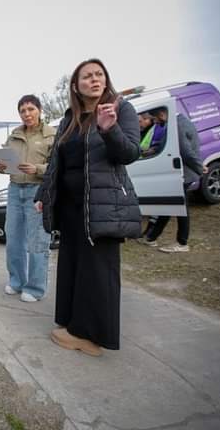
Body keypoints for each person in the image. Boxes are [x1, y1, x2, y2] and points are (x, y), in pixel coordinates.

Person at [35, 58, 142, 356]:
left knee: (98, 270)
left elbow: (131, 153)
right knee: (73, 265)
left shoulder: (121, 110)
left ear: (106, 80)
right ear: (76, 85)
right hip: (70, 206)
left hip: (102, 204)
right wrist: (44, 194)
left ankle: (92, 336)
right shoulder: (70, 117)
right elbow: (58, 162)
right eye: (87, 76)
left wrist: (109, 130)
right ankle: (73, 325)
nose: (94, 80)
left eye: (99, 75)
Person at [0, 95, 55, 303]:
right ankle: (16, 281)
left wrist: (37, 169)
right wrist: (0, 166)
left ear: (39, 110)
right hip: (14, 190)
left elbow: (58, 167)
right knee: (13, 240)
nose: (27, 114)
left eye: (31, 109)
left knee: (37, 242)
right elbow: (3, 162)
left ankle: (36, 287)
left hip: (37, 192)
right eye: (22, 110)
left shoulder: (51, 135)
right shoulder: (14, 135)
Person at [138, 107, 206, 252]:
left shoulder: (177, 126)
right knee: (169, 204)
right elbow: (169, 144)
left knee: (181, 209)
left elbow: (186, 152)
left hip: (183, 172)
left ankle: (182, 243)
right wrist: (154, 150)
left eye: (156, 119)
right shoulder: (178, 122)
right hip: (182, 171)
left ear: (162, 114)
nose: (155, 122)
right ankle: (151, 238)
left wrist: (200, 168)